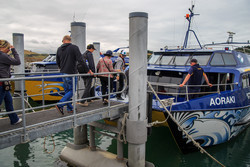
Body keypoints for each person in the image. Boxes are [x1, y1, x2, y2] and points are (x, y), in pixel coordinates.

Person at [55, 35, 93, 115]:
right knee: (72, 91)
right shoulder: (74, 48)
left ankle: (70, 108)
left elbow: (57, 62)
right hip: (71, 73)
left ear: (63, 41)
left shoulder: (59, 49)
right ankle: (60, 104)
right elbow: (81, 60)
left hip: (63, 73)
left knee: (67, 92)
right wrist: (88, 70)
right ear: (70, 40)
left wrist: (61, 68)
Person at [0, 40, 22, 125]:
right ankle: (14, 119)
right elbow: (17, 61)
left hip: (5, 84)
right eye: (8, 48)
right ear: (3, 47)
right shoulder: (2, 55)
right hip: (2, 83)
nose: (9, 50)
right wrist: (14, 50)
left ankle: (14, 119)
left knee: (9, 101)